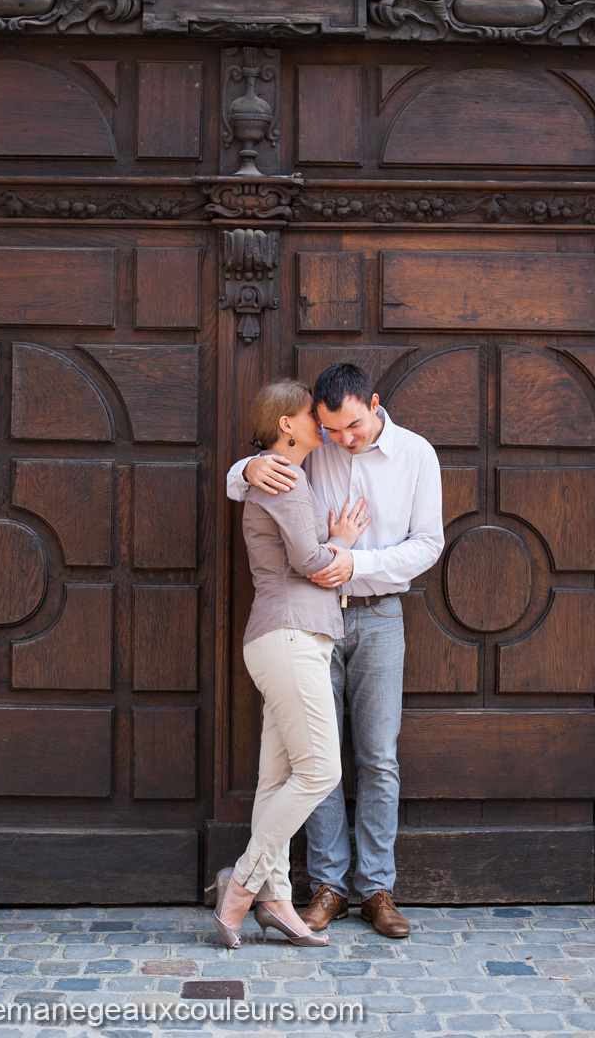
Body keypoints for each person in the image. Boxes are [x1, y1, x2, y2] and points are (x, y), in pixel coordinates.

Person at [227, 363, 443, 938]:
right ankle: (328, 886)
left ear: (373, 404)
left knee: (377, 756)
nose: (343, 440)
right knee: (313, 758)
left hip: (378, 615)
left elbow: (429, 544)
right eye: (332, 430)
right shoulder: (315, 443)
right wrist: (245, 465)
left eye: (351, 426)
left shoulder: (417, 454)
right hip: (310, 622)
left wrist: (357, 562)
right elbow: (249, 478)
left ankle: (376, 888)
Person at [208, 378, 370, 949]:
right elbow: (309, 560)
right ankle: (242, 885)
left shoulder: (271, 471)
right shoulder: (285, 474)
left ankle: (275, 898)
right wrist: (342, 541)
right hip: (290, 636)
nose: (323, 428)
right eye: (312, 417)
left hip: (288, 638)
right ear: (287, 424)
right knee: (321, 771)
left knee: (276, 778)